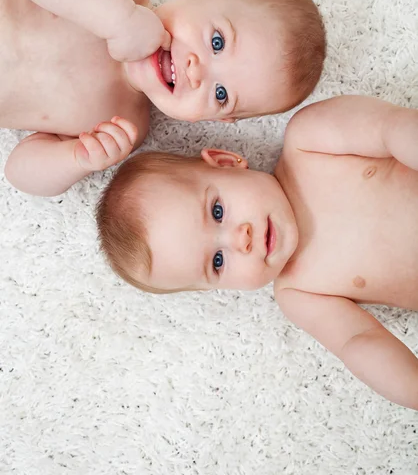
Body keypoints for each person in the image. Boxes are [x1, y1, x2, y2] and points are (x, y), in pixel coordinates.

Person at [97, 94, 418, 410]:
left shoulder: (309, 140)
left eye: (218, 211)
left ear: (227, 163)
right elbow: (359, 343)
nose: (241, 240)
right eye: (218, 261)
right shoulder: (298, 292)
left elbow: (391, 128)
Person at [0, 0, 325, 196]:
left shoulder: (123, 124)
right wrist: (119, 19)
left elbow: (19, 171)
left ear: (220, 119)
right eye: (217, 42)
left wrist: (75, 159)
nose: (197, 73)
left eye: (221, 93)